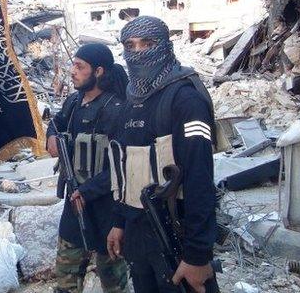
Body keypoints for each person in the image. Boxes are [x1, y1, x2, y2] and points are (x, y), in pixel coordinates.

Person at [106, 16, 218, 293]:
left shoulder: (185, 99)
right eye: (130, 45)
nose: (138, 52)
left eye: (148, 44)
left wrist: (197, 255)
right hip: (137, 237)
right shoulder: (130, 101)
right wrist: (119, 223)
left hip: (175, 236)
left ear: (165, 46)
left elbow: (200, 179)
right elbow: (126, 171)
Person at [47, 43, 130, 293]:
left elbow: (124, 165)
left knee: (113, 280)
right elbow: (56, 122)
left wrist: (89, 190)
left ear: (99, 71)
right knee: (65, 280)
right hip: (74, 205)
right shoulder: (74, 102)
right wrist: (51, 135)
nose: (72, 71)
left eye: (79, 66)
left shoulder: (118, 109)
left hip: (108, 209)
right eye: (73, 64)